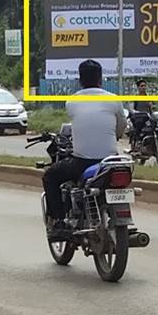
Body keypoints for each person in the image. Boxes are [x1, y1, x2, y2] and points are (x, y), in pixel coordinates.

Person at [43, 59, 126, 239]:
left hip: (83, 162)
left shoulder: (72, 102)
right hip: (110, 161)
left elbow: (79, 124)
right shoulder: (114, 100)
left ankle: (58, 221)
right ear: (101, 78)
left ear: (80, 80)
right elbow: (121, 127)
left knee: (50, 176)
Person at [128, 78, 153, 146]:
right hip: (137, 117)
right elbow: (131, 109)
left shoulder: (149, 97)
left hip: (147, 117)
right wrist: (136, 112)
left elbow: (153, 109)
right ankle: (137, 138)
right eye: (142, 86)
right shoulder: (135, 97)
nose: (143, 87)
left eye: (144, 85)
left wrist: (152, 106)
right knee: (139, 122)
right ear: (138, 87)